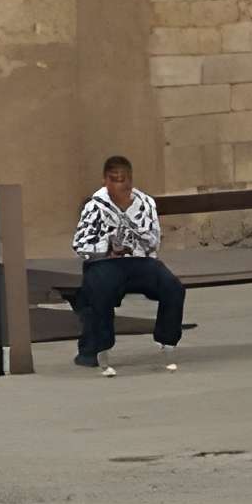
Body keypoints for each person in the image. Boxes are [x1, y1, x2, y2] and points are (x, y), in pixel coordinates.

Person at [70, 153, 185, 372]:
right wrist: (108, 248)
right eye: (114, 179)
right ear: (105, 181)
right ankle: (100, 347)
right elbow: (80, 244)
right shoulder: (95, 207)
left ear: (131, 180)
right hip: (104, 263)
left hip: (139, 261)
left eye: (124, 179)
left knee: (172, 286)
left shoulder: (145, 204)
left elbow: (154, 241)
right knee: (100, 289)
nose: (120, 185)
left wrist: (134, 240)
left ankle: (167, 339)